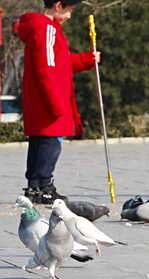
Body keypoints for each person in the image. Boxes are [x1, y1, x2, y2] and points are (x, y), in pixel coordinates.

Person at [17, 0, 100, 204]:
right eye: (69, 11)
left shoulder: (42, 28)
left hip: (42, 98)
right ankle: (44, 185)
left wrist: (87, 59)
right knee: (51, 144)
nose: (70, 16)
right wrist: (55, 102)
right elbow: (47, 67)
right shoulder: (47, 29)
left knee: (39, 142)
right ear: (58, 5)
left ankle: (34, 186)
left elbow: (60, 60)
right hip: (50, 98)